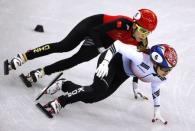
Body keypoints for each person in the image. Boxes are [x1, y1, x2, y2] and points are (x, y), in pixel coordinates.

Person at [5, 9, 157, 98]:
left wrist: (136, 87)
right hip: (93, 25)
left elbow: (135, 63)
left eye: (148, 32)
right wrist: (100, 49)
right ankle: (24, 57)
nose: (144, 35)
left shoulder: (141, 43)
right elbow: (94, 31)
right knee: (64, 46)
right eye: (142, 31)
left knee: (75, 60)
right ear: (134, 25)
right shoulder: (123, 24)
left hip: (104, 40)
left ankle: (41, 72)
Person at [38, 41, 177, 124]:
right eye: (165, 68)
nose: (167, 72)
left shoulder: (161, 76)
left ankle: (63, 84)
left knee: (92, 98)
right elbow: (117, 44)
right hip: (111, 59)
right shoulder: (140, 58)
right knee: (97, 89)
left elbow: (155, 87)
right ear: (154, 61)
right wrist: (104, 63)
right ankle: (59, 102)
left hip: (123, 73)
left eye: (169, 69)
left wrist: (157, 110)